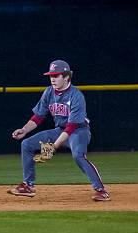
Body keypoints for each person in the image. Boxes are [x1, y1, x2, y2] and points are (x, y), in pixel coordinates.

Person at [7, 59, 110, 202]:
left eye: (56, 76)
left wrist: (53, 147)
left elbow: (72, 126)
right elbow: (38, 116)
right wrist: (24, 130)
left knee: (78, 156)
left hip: (78, 132)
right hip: (60, 130)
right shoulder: (49, 92)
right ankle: (28, 186)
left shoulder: (76, 95)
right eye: (51, 76)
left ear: (66, 76)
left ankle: (101, 190)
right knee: (26, 144)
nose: (53, 79)